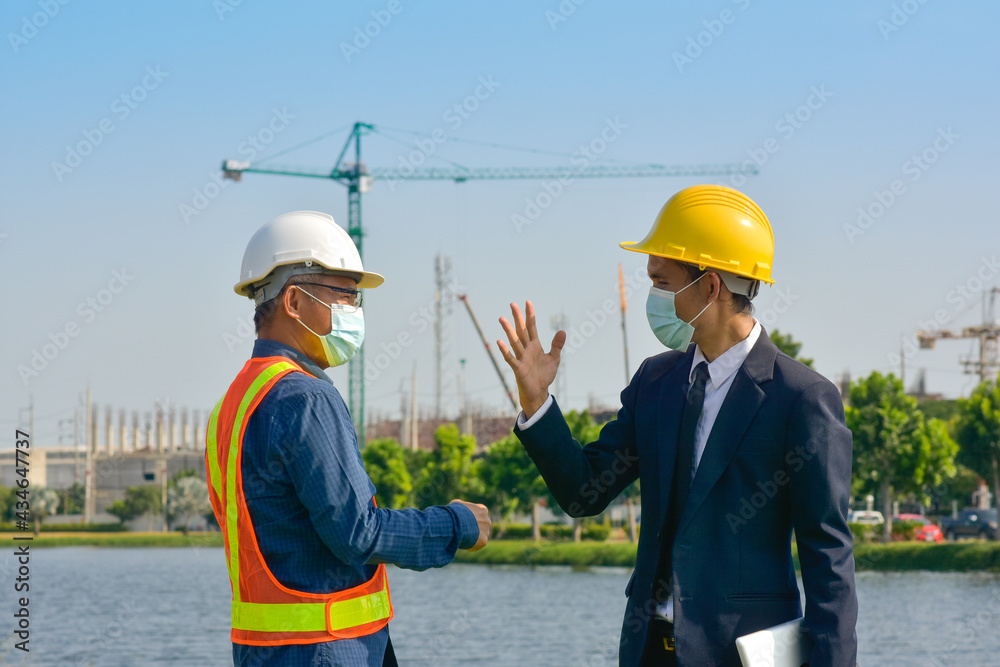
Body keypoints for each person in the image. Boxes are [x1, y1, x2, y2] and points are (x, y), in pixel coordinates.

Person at [497, 185, 858, 666]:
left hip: (741, 655)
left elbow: (827, 556)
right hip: (649, 649)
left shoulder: (801, 398)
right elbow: (585, 491)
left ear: (710, 287)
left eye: (662, 281)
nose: (654, 294)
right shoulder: (656, 381)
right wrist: (538, 403)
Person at [207, 210, 490, 667]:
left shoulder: (234, 403)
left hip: (263, 652)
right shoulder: (304, 396)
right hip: (327, 648)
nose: (354, 312)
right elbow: (359, 533)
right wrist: (458, 524)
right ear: (294, 303)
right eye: (345, 296)